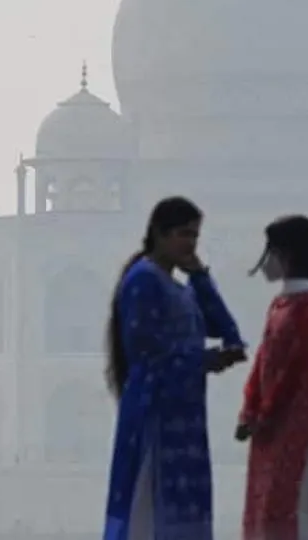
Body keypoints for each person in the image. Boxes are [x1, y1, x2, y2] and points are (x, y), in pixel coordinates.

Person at [103, 196, 249, 540]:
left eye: (195, 236)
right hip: (154, 412)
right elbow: (146, 354)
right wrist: (205, 360)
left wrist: (199, 275)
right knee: (149, 512)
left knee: (184, 515)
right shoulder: (143, 281)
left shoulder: (179, 289)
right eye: (183, 234)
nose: (190, 243)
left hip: (184, 416)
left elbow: (225, 330)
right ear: (158, 233)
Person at [236, 215, 308, 540]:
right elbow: (265, 360)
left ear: (286, 253)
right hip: (270, 426)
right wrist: (250, 408)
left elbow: (296, 369)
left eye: (270, 250)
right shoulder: (283, 302)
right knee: (271, 506)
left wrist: (265, 412)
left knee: (300, 505)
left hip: (299, 426)